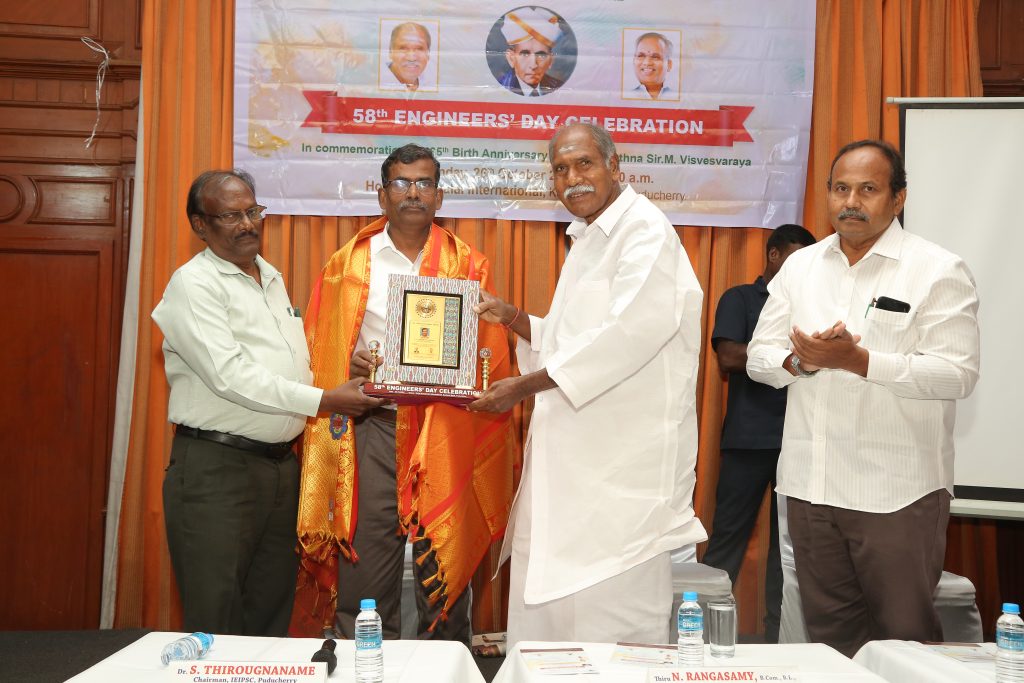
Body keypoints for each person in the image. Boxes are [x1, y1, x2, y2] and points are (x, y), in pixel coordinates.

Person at [470, 122, 707, 646]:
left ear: (614, 166)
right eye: (560, 169)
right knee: (551, 622)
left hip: (621, 474)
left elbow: (624, 337)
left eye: (584, 164)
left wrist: (520, 388)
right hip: (574, 468)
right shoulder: (586, 238)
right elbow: (568, 340)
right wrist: (512, 317)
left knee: (612, 624)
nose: (572, 178)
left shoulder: (644, 231)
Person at [747, 139, 980, 657]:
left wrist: (860, 361)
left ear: (898, 199)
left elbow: (957, 374)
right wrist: (803, 362)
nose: (850, 202)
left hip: (896, 491)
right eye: (840, 188)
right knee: (831, 646)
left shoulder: (937, 269)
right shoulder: (801, 267)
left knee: (906, 642)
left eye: (868, 189)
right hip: (811, 486)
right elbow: (759, 356)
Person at [293, 144, 518, 642]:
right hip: (375, 426)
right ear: (382, 195)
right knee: (366, 579)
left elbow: (488, 355)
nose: (412, 193)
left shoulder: (467, 264)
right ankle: (368, 666)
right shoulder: (348, 264)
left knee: (444, 576)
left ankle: (445, 667)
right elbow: (321, 346)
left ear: (439, 196)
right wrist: (350, 362)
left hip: (445, 428)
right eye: (401, 183)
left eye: (423, 183)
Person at [152, 170, 382, 636]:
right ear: (200, 225)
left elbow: (289, 367)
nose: (247, 224)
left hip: (279, 468)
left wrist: (345, 377)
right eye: (231, 216)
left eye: (253, 212)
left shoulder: (269, 277)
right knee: (215, 615)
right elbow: (229, 375)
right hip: (217, 470)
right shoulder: (193, 284)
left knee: (270, 612)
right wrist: (325, 399)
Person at [701, 223, 816, 644]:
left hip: (800, 441)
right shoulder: (740, 298)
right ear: (773, 255)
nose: (802, 268)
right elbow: (729, 356)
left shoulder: (811, 305)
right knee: (728, 540)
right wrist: (787, 353)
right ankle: (704, 636)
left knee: (788, 551)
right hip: (749, 440)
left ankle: (777, 641)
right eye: (795, 258)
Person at [497, 7, 565, 96]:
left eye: (541, 55)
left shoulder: (560, 88)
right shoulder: (497, 89)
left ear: (551, 60)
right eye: (525, 54)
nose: (533, 65)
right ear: (511, 58)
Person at [381, 22, 432, 92]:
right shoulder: (375, 81)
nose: (411, 58)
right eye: (403, 48)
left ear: (428, 54)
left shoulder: (432, 84)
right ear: (390, 52)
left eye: (419, 48)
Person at [630, 32, 675, 100]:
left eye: (655, 57)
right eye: (641, 56)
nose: (647, 63)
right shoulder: (623, 96)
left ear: (669, 65)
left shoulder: (680, 97)